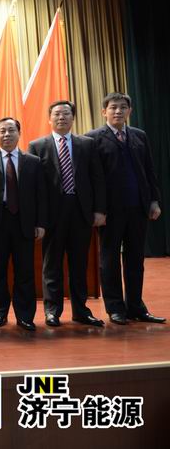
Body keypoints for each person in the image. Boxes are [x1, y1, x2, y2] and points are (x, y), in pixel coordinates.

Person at [86, 92, 164, 324]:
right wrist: (98, 210)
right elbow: (92, 178)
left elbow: (149, 170)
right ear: (104, 112)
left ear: (129, 111)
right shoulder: (93, 138)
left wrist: (153, 200)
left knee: (135, 259)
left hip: (138, 207)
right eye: (113, 107)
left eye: (122, 107)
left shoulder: (139, 135)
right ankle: (115, 308)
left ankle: (136, 307)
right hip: (109, 212)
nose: (118, 111)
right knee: (109, 260)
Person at [28, 100, 106, 327]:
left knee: (79, 265)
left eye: (66, 114)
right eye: (57, 114)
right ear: (49, 119)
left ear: (73, 118)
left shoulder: (87, 144)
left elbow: (97, 179)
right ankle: (52, 311)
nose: (61, 117)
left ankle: (81, 311)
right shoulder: (37, 146)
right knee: (52, 264)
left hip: (81, 212)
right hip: (52, 214)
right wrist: (38, 218)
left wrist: (99, 210)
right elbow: (34, 187)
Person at [0, 117, 47, 331]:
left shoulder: (33, 162)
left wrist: (40, 223)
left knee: (25, 271)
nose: (7, 134)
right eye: (2, 131)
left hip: (24, 222)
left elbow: (40, 195)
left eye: (11, 130)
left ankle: (25, 316)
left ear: (19, 133)